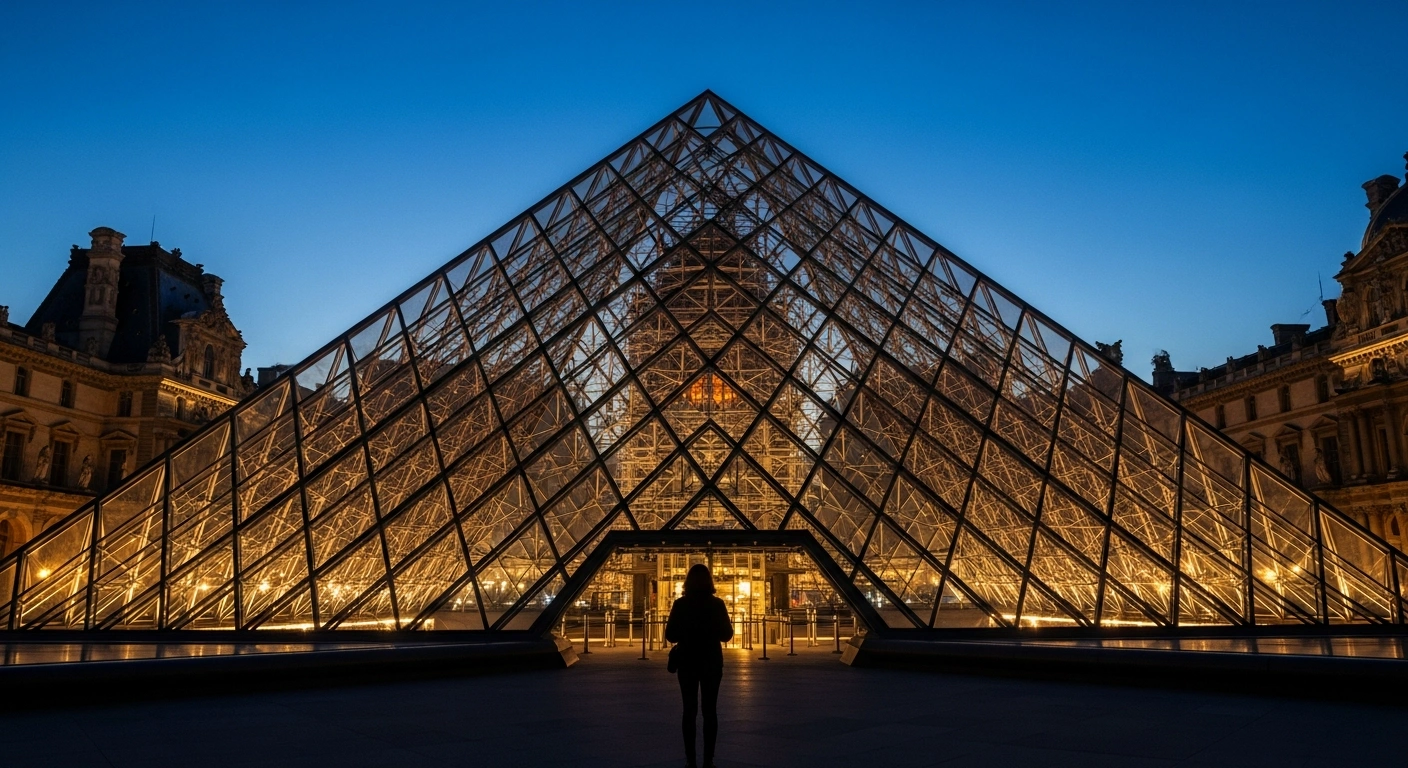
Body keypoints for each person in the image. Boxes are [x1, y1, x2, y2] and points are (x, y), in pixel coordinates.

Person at [665, 564, 734, 768]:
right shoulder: (717, 604)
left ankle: (690, 759)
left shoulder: (680, 604)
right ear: (710, 582)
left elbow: (670, 636)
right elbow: (727, 635)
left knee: (689, 711)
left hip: (687, 661)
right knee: (710, 712)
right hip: (711, 661)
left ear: (687, 582)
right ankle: (708, 759)